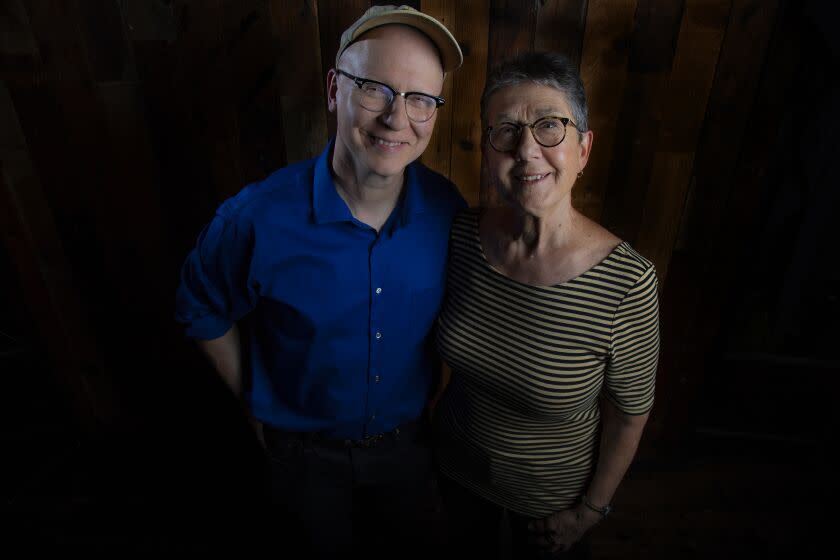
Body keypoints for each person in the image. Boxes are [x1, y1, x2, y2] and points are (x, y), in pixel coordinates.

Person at [174, 5, 465, 558]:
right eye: (376, 89)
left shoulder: (448, 212)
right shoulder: (254, 219)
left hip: (410, 450)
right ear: (335, 89)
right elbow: (200, 308)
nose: (397, 118)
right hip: (300, 456)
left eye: (421, 98)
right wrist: (254, 403)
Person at [433, 51, 660, 559]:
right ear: (488, 153)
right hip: (451, 472)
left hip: (548, 507)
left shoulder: (627, 283)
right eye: (506, 131)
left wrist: (590, 511)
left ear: (584, 148)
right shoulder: (461, 236)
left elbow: (629, 415)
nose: (528, 151)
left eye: (550, 127)